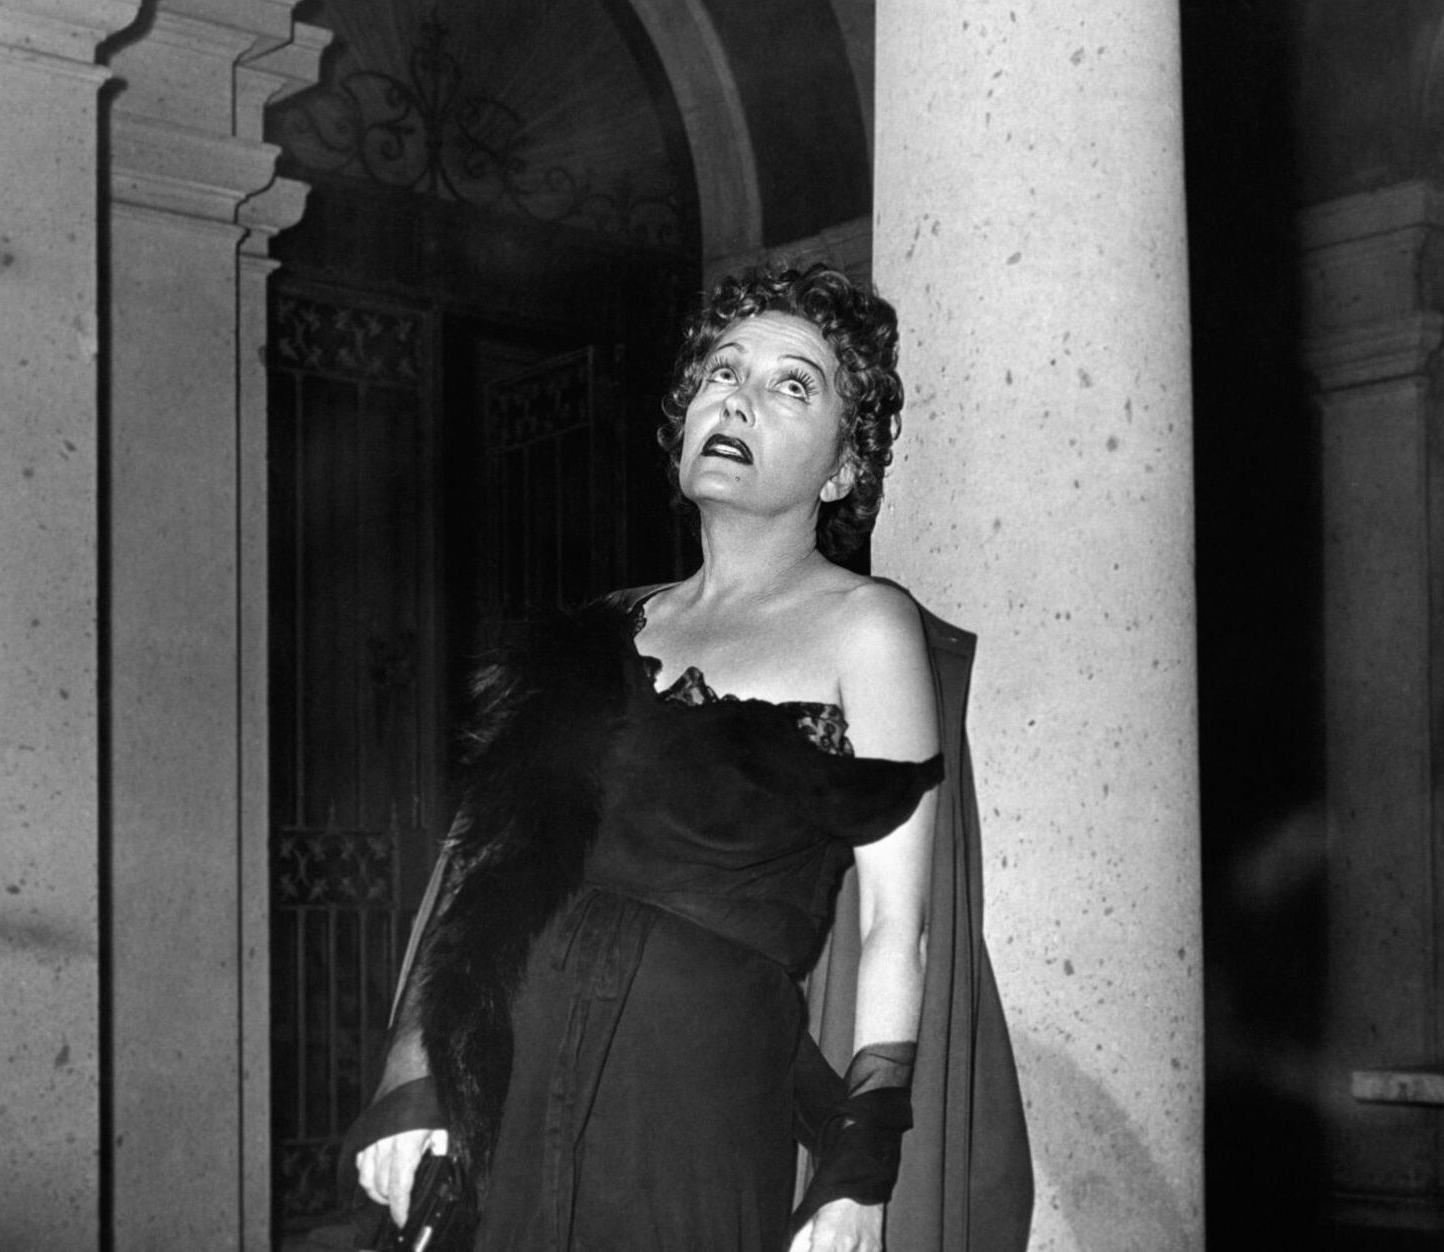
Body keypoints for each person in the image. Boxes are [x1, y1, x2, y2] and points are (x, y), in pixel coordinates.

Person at [343, 262, 1032, 1252]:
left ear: (842, 469)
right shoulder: (598, 631)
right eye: (722, 370)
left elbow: (897, 924)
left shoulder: (865, 625)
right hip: (511, 1078)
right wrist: (417, 1079)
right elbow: (481, 877)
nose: (736, 398)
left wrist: (857, 1171)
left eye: (790, 384)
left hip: (695, 1099)